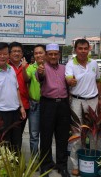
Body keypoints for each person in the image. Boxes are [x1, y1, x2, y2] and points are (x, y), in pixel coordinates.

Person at [65, 39, 101, 176]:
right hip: (77, 102)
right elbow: (68, 79)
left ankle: (94, 161)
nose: (82, 51)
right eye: (80, 48)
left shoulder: (94, 63)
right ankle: (75, 164)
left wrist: (100, 98)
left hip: (93, 101)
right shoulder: (70, 64)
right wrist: (71, 81)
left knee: (94, 132)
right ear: (75, 50)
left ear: (89, 49)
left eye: (85, 48)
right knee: (76, 134)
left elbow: (98, 81)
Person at [36, 43, 70, 177]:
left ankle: (62, 165)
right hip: (48, 104)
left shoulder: (65, 68)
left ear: (59, 55)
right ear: (46, 55)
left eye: (56, 54)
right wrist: (41, 73)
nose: (53, 56)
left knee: (62, 137)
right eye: (50, 54)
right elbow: (41, 77)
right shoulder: (41, 68)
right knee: (46, 136)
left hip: (63, 105)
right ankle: (45, 164)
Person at [22, 44, 46, 155]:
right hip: (35, 105)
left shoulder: (50, 67)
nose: (38, 55)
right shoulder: (31, 67)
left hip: (48, 104)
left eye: (40, 52)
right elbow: (26, 79)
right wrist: (23, 68)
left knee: (47, 133)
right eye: (36, 53)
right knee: (34, 134)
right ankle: (34, 160)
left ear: (45, 53)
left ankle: (45, 160)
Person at [8, 42, 30, 138]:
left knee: (19, 134)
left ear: (22, 54)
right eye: (14, 51)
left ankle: (17, 152)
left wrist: (24, 68)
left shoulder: (28, 67)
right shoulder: (5, 66)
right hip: (8, 105)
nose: (17, 53)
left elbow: (28, 80)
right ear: (9, 53)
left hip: (24, 105)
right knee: (8, 133)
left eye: (19, 51)